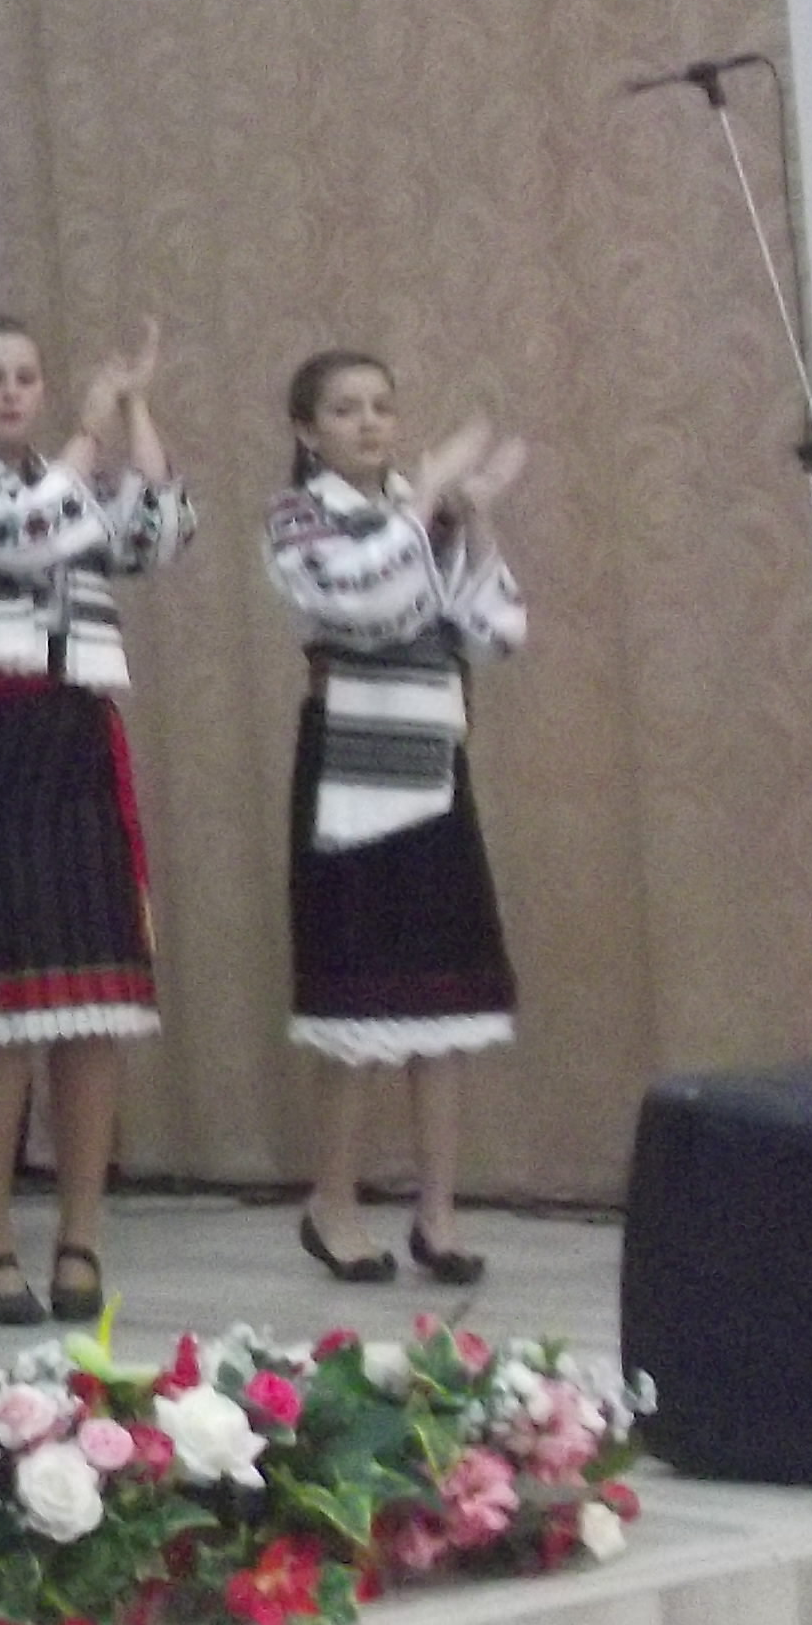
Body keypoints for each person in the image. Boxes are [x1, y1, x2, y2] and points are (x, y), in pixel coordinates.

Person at [0, 313, 190, 1327]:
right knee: (3, 1018)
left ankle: (80, 1234)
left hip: (76, 744)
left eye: (26, 377)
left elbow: (156, 533)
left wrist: (133, 406)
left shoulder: (68, 485)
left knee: (94, 1010)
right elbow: (26, 535)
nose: (11, 394)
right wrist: (86, 432)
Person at [267, 348, 529, 1287]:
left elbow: (493, 631)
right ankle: (332, 1204)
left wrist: (476, 515)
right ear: (309, 430)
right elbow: (365, 601)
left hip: (432, 757)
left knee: (443, 996)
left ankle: (437, 1213)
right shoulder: (299, 518)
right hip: (351, 758)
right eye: (346, 409)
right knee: (359, 993)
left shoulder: (425, 513)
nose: (371, 422)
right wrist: (424, 504)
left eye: (382, 405)